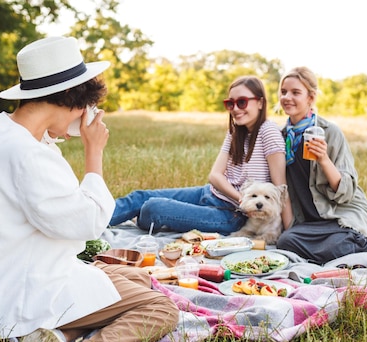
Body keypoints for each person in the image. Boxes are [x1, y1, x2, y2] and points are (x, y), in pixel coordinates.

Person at [0, 36, 179, 342]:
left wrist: (59, 132)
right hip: (25, 296)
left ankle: (56, 335)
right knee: (161, 310)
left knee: (138, 279)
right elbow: (90, 223)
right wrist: (92, 151)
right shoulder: (30, 157)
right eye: (89, 104)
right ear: (72, 99)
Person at [109, 75, 291, 234]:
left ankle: (144, 218)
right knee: (139, 197)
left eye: (242, 102)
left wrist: (289, 229)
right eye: (230, 103)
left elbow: (280, 186)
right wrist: (241, 197)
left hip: (231, 215)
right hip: (209, 194)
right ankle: (92, 220)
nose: (235, 108)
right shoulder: (236, 131)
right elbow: (215, 175)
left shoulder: (269, 132)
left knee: (152, 207)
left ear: (260, 102)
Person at [275, 66, 367, 264]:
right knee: (286, 241)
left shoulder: (329, 132)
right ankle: (362, 246)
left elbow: (347, 191)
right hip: (312, 221)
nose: (287, 97)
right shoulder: (282, 137)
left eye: (295, 92)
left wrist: (324, 159)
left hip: (341, 214)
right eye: (283, 92)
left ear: (311, 98)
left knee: (337, 244)